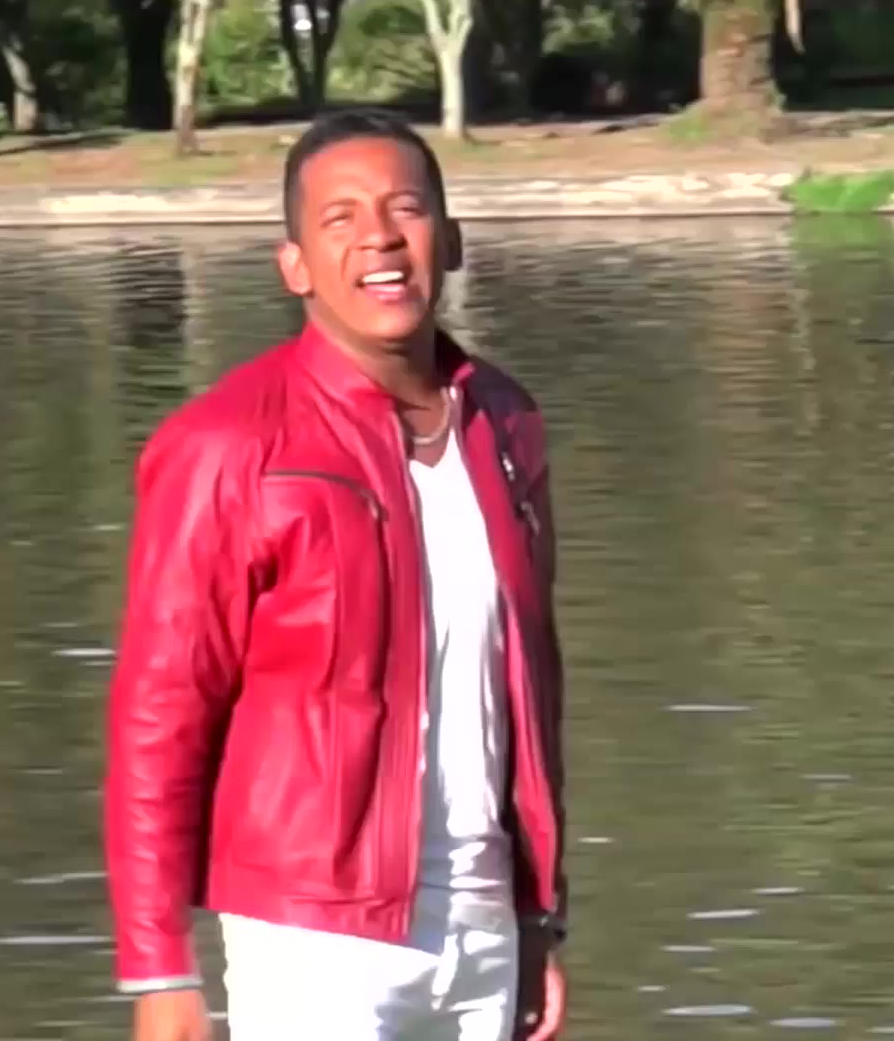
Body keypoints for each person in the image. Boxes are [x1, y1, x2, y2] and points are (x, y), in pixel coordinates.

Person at [101, 108, 569, 1041]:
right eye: (340, 218)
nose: (380, 238)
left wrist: (536, 918)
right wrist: (159, 969)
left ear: (451, 240)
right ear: (296, 266)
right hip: (313, 936)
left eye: (406, 209)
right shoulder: (227, 444)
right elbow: (161, 711)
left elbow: (529, 688)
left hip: (483, 922)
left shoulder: (506, 423)